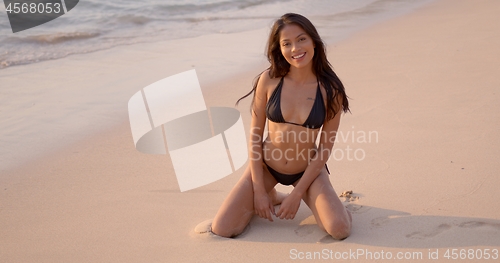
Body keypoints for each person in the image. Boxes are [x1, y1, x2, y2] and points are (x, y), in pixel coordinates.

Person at [211, 13, 351, 240]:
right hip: (267, 167)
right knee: (223, 228)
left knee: (339, 229)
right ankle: (272, 193)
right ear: (279, 48)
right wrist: (258, 191)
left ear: (314, 41)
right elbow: (255, 137)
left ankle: (328, 203)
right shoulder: (268, 80)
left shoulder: (330, 90)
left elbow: (324, 149)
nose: (295, 48)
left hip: (307, 172)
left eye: (301, 39)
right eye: (287, 43)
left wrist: (296, 194)